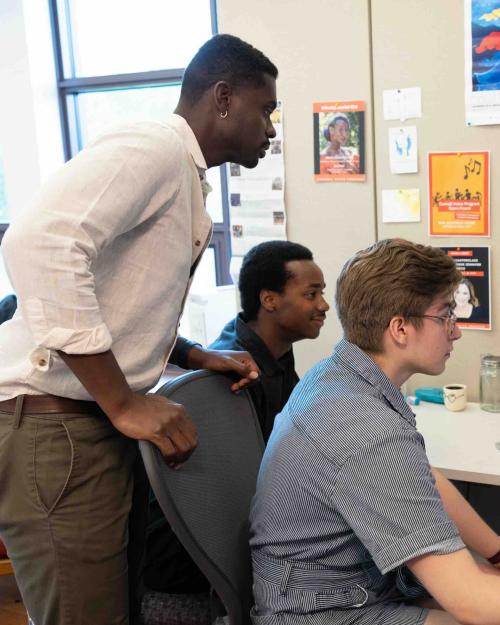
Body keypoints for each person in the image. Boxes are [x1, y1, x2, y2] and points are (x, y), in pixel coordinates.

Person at [0, 33, 278, 625]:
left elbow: (115, 296)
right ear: (223, 98)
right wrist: (123, 400)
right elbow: (38, 243)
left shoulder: (184, 174)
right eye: (266, 110)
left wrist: (187, 353)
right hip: (55, 426)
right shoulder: (153, 149)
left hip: (85, 427)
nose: (271, 129)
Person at [250, 239, 500, 625]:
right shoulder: (368, 432)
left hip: (340, 585)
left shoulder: (338, 373)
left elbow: (423, 479)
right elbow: (469, 600)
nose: (456, 332)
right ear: (399, 328)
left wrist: (496, 553)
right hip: (322, 612)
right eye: (446, 315)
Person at [144, 240, 329, 595]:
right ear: (269, 300)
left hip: (243, 522)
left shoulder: (275, 355)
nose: (323, 305)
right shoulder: (230, 374)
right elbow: (237, 485)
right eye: (311, 294)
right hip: (191, 553)